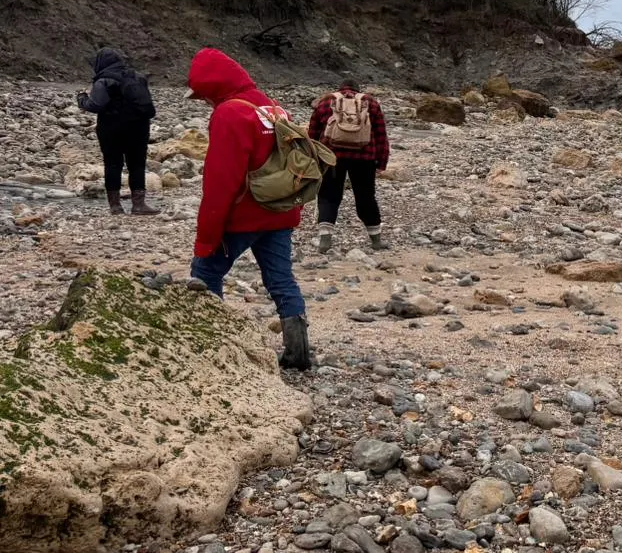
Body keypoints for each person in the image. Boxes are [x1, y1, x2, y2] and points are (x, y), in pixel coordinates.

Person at [184, 48, 312, 370]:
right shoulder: (273, 108)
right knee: (281, 280)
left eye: (202, 95)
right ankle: (298, 354)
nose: (202, 101)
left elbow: (221, 183)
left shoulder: (229, 114)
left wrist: (207, 235)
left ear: (212, 86)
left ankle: (214, 348)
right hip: (278, 211)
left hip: (243, 217)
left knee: (205, 273)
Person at [307, 79, 390, 253]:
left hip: (331, 157)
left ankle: (325, 240)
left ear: (340, 88)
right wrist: (381, 162)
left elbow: (312, 133)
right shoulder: (371, 103)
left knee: (328, 196)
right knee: (366, 196)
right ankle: (376, 239)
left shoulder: (326, 102)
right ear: (358, 89)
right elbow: (381, 135)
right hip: (364, 159)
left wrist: (312, 159)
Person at [77, 48, 159, 215]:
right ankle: (139, 205)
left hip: (111, 128)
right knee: (137, 165)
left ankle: (115, 206)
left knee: (113, 164)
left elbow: (95, 105)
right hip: (139, 128)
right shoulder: (138, 77)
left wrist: (81, 99)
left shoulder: (104, 81)